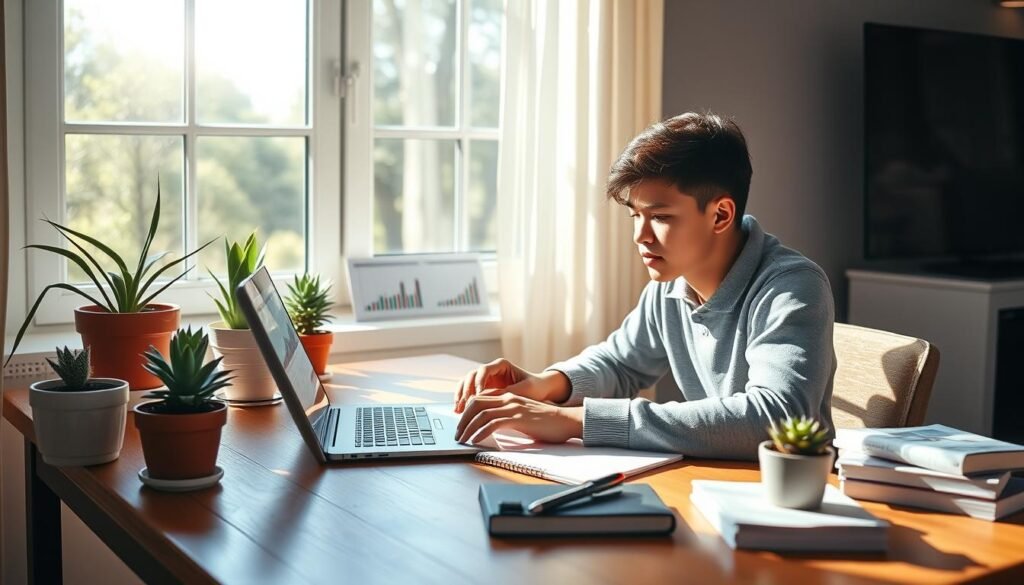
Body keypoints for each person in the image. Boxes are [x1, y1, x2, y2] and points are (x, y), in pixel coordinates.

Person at [453, 112, 836, 460]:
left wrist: (577, 420)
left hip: (783, 503)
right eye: (635, 216)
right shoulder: (670, 284)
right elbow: (621, 365)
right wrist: (545, 385)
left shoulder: (792, 287)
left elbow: (775, 416)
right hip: (711, 482)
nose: (641, 236)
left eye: (661, 217)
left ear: (720, 214)